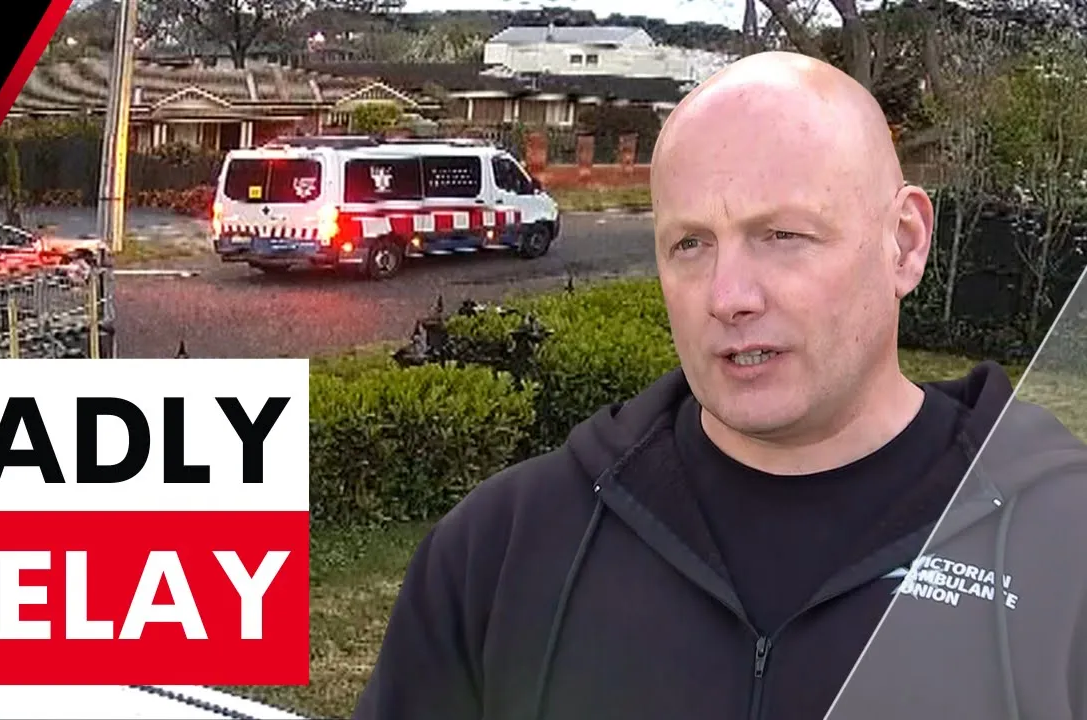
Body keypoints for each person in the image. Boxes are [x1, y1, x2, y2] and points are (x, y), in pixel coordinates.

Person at [352, 51, 1087, 720]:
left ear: (904, 243)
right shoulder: (500, 550)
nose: (727, 296)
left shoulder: (1064, 546)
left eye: (783, 236)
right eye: (690, 244)